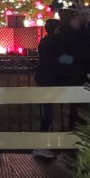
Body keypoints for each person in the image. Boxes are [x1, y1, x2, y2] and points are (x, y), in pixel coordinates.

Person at [33, 18, 60, 158]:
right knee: (48, 113)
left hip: (43, 78)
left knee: (48, 112)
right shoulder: (53, 43)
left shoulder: (44, 41)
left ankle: (42, 145)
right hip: (47, 79)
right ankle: (40, 146)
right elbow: (54, 61)